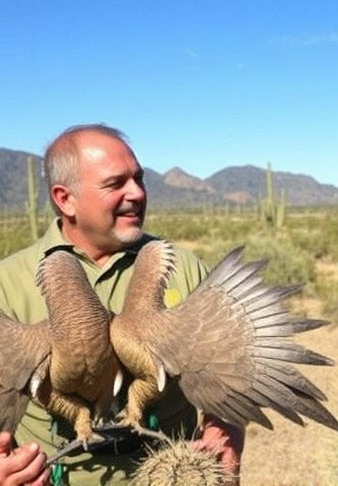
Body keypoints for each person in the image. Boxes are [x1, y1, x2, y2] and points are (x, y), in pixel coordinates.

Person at [0, 124, 244, 485]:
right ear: (65, 198)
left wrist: (223, 436)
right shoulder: (8, 282)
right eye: (116, 183)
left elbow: (231, 373)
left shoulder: (183, 268)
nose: (137, 193)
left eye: (139, 179)